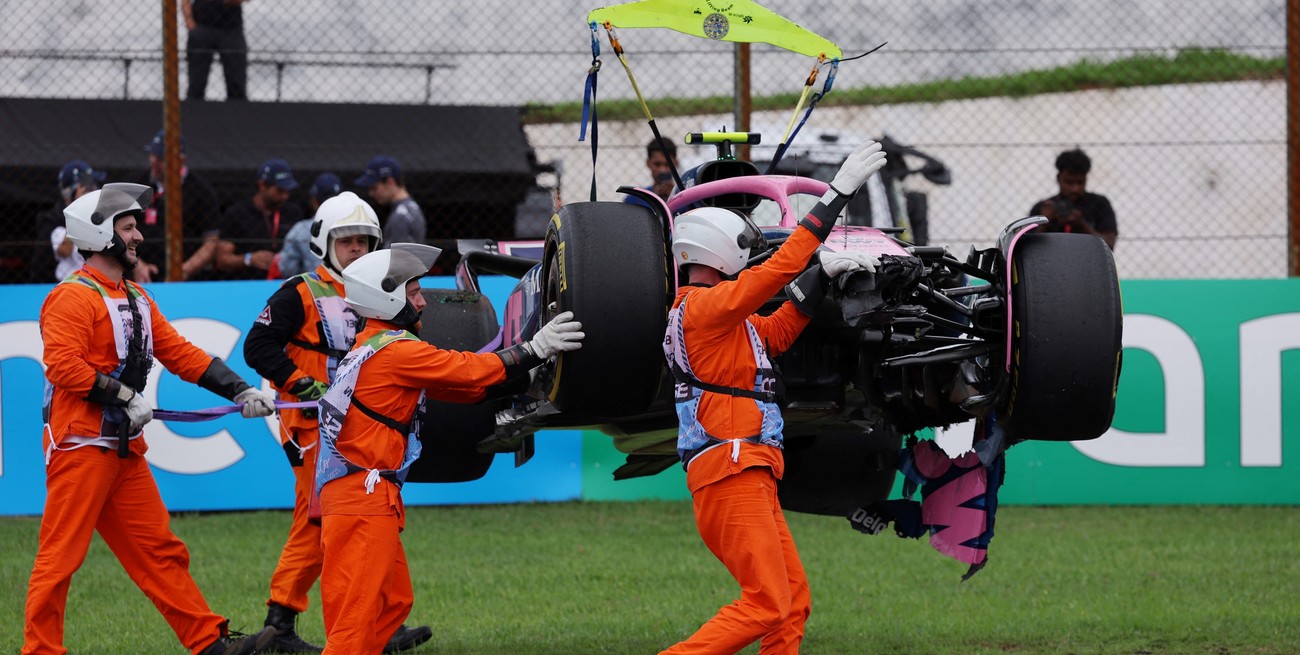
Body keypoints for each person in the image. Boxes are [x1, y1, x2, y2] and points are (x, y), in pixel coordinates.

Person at [25, 182, 280, 655]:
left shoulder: (137, 297)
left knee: (161, 552)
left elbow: (181, 353)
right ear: (100, 234)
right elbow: (62, 366)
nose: (139, 236)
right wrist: (122, 394)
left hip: (122, 450)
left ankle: (209, 644)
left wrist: (240, 388)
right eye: (127, 227)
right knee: (59, 560)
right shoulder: (72, 297)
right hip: (81, 447)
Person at [658, 140, 887, 655]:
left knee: (791, 602)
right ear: (718, 249)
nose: (748, 253)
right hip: (731, 467)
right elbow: (774, 273)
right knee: (765, 603)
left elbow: (777, 331)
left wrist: (820, 278)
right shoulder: (702, 309)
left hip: (745, 467)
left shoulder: (719, 317)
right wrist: (835, 198)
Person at [315, 243, 584, 654]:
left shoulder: (375, 347)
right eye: (415, 292)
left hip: (363, 497)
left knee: (392, 604)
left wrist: (521, 376)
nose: (423, 301)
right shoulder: (396, 351)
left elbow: (464, 389)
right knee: (353, 624)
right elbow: (466, 368)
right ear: (386, 296)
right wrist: (534, 349)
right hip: (362, 502)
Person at [242, 192, 432, 653]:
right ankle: (280, 619)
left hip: (365, 433)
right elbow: (257, 346)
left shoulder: (383, 294)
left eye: (366, 241)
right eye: (347, 241)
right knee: (320, 522)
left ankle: (378, 624)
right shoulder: (299, 292)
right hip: (313, 431)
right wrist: (301, 383)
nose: (357, 250)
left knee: (372, 524)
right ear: (325, 245)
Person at [133, 129, 224, 282]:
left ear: (179, 159)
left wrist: (183, 271)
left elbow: (211, 241)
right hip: (141, 272)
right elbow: (120, 229)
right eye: (152, 155)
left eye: (161, 158)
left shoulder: (201, 190)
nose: (154, 161)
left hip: (187, 276)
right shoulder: (137, 184)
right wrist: (137, 265)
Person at [212, 158, 303, 280]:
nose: (285, 196)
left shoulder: (293, 213)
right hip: (248, 283)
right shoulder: (237, 213)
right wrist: (249, 259)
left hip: (286, 283)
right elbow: (222, 260)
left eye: (287, 191)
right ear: (262, 185)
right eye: (280, 191)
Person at [1029, 147, 1118, 250]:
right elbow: (1030, 250)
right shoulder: (1042, 208)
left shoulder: (1100, 204)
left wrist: (1081, 224)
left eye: (1080, 182)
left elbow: (1109, 246)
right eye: (1069, 182)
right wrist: (1044, 222)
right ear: (1058, 179)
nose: (1075, 189)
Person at [31, 160, 105, 283]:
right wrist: (79, 208)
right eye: (90, 186)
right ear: (74, 191)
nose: (95, 190)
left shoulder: (100, 216)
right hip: (64, 287)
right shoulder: (52, 221)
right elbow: (63, 252)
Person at [274, 173, 340, 279]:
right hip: (349, 288)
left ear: (314, 201)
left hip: (314, 290)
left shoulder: (301, 229)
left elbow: (286, 269)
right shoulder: (358, 225)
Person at [182, 0, 249, 101]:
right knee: (196, 83)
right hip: (202, 26)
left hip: (231, 29)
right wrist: (189, 21)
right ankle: (193, 111)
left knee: (236, 83)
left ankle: (237, 112)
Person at [354, 155, 426, 247]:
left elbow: (397, 259)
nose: (371, 193)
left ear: (390, 182)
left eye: (375, 188)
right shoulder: (411, 208)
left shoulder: (401, 216)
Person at [624, 138, 678, 209]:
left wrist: (673, 198)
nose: (662, 170)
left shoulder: (686, 198)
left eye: (667, 165)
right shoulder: (635, 199)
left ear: (676, 163)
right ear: (648, 163)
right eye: (657, 164)